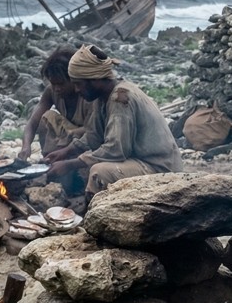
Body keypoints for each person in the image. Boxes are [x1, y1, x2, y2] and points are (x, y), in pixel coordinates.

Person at [44, 43, 182, 203]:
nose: (76, 90)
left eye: (78, 84)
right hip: (138, 161)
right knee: (88, 164)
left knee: (99, 171)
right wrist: (67, 151)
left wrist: (70, 164)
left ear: (94, 79)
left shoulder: (121, 98)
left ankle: (91, 216)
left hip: (160, 167)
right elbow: (93, 136)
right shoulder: (101, 98)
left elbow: (116, 150)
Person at [16, 45, 93, 161]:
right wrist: (26, 147)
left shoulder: (89, 95)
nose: (57, 89)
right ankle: (48, 159)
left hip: (87, 141)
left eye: (61, 84)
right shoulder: (51, 92)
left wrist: (73, 133)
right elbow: (32, 123)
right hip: (68, 136)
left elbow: (95, 130)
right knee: (45, 119)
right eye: (53, 84)